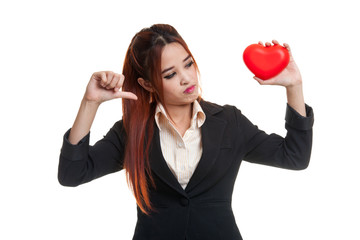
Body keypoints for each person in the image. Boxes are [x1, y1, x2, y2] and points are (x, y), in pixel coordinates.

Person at [58, 24, 314, 240]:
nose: (187, 78)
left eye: (188, 64)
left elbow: (295, 157)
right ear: (147, 84)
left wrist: (294, 86)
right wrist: (90, 103)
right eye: (170, 74)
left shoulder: (229, 122)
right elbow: (71, 174)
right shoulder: (131, 130)